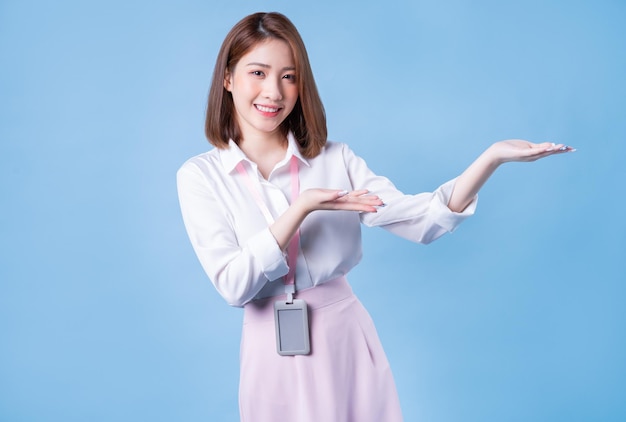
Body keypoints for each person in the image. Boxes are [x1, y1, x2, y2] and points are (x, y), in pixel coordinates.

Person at [177, 11, 574, 422]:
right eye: (257, 72)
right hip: (269, 352)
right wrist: (301, 207)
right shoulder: (201, 177)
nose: (273, 92)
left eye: (288, 76)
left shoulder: (334, 158)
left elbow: (421, 221)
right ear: (227, 78)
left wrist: (490, 159)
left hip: (343, 337)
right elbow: (233, 285)